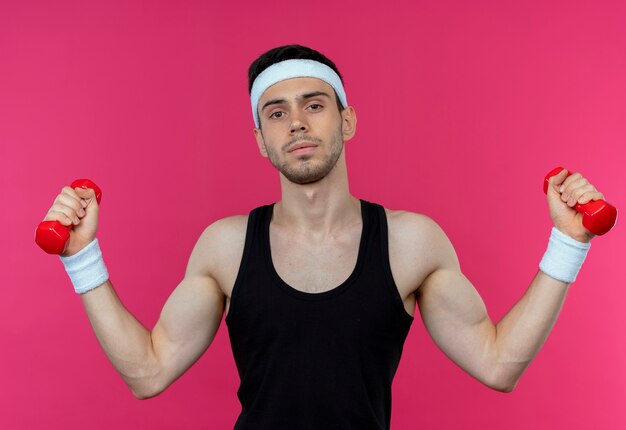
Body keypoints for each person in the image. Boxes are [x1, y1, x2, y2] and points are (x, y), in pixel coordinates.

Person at [42, 45, 607, 429]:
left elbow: (498, 364)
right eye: (276, 113)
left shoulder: (410, 242)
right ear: (261, 139)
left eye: (314, 105)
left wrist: (569, 243)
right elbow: (148, 373)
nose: (297, 124)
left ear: (348, 120)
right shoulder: (226, 246)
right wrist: (82, 257)